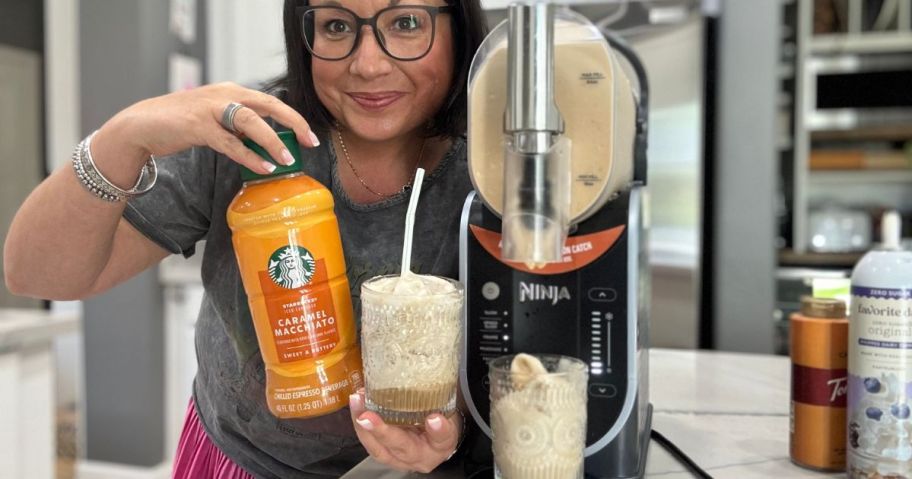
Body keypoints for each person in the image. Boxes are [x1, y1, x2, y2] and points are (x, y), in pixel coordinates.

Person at [3, 0, 488, 477]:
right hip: (232, 459)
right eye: (336, 26)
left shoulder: (495, 171)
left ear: (458, 27)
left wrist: (456, 428)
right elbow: (35, 274)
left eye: (405, 23)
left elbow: (525, 364)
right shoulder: (248, 135)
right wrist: (124, 135)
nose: (367, 64)